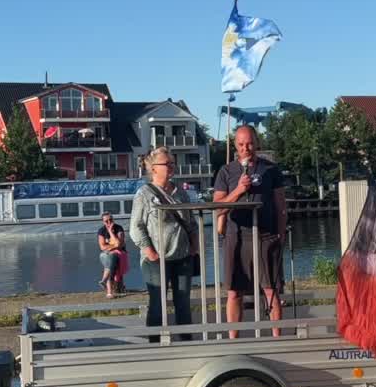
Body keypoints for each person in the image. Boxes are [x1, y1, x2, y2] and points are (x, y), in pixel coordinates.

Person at [213, 125, 287, 338]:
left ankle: (276, 337)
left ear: (257, 143)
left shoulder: (271, 170)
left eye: (250, 143)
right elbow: (218, 208)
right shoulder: (226, 172)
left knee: (271, 290)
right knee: (235, 291)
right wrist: (238, 190)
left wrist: (281, 233)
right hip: (237, 237)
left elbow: (280, 205)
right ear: (235, 145)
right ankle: (234, 340)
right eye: (241, 144)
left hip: (266, 236)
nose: (246, 148)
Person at [130, 146, 197, 339]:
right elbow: (136, 227)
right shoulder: (144, 194)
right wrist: (150, 251)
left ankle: (186, 342)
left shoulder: (181, 193)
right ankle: (155, 344)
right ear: (153, 168)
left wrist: (194, 245)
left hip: (183, 256)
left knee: (183, 302)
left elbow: (190, 222)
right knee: (158, 303)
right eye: (167, 163)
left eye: (173, 163)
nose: (171, 167)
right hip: (156, 259)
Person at [97, 211, 128, 298]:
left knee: (111, 261)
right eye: (106, 221)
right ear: (103, 222)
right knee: (110, 260)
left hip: (119, 253)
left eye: (110, 220)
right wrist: (113, 246)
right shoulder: (101, 231)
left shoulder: (119, 228)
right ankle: (110, 288)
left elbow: (119, 244)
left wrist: (110, 232)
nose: (109, 222)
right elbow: (102, 247)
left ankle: (108, 288)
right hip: (106, 254)